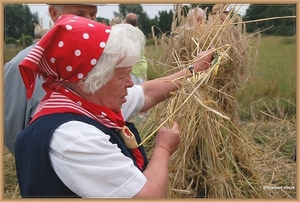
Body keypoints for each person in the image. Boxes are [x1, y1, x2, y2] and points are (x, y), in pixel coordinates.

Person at [15, 14, 214, 198]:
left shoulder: (85, 104)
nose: (130, 83)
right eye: (122, 76)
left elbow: (147, 92)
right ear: (88, 80)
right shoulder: (75, 139)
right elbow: (149, 196)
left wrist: (194, 69)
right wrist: (163, 147)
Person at [4, 4, 99, 156]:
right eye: (80, 14)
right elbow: (11, 130)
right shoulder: (22, 65)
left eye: (93, 15)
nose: (89, 22)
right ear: (54, 14)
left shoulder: (100, 60)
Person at [124, 12, 148, 85]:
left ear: (126, 22)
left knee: (134, 92)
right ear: (137, 22)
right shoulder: (141, 33)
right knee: (142, 91)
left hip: (133, 69)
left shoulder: (127, 34)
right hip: (142, 67)